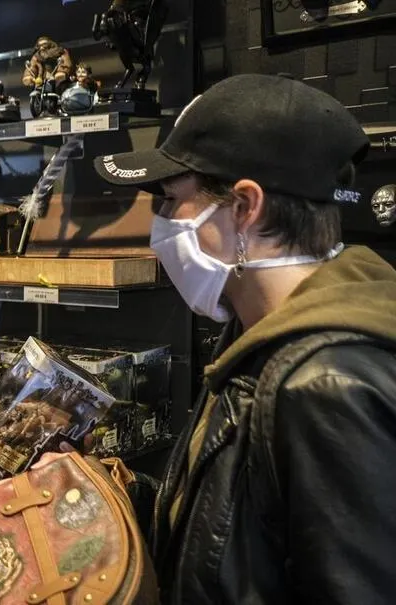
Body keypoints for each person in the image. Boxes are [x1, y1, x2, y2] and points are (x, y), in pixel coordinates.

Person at [87, 73, 396, 603]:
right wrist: (120, 492)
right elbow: (241, 535)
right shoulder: (257, 336)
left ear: (244, 207)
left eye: (171, 199)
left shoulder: (328, 388)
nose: (161, 222)